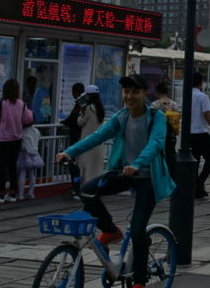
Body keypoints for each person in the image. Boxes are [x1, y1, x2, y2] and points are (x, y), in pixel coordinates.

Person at [56, 74, 175, 288]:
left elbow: (156, 143)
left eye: (134, 92)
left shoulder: (156, 117)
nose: (129, 96)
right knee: (87, 189)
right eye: (126, 92)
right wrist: (69, 152)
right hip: (124, 173)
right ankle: (111, 230)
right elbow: (97, 137)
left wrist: (138, 164)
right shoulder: (122, 117)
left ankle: (139, 280)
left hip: (147, 178)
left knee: (138, 230)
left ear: (144, 93)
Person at [0, 78, 34, 203]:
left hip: (3, 138)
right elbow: (27, 119)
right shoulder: (21, 104)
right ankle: (13, 193)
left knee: (2, 166)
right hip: (17, 138)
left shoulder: (1, 104)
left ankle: (0, 194)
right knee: (13, 166)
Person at [189, 72, 210, 198]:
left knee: (194, 162)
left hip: (190, 134)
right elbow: (206, 114)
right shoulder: (202, 96)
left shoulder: (186, 96)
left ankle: (196, 187)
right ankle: (199, 183)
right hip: (201, 132)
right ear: (201, 83)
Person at [77, 85, 106, 182]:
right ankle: (95, 191)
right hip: (98, 143)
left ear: (89, 96)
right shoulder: (100, 108)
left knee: (86, 168)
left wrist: (81, 112)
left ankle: (86, 191)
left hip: (87, 143)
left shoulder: (88, 108)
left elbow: (80, 122)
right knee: (96, 170)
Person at [151, 80, 180, 175]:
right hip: (171, 132)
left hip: (158, 132)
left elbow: (152, 119)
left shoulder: (155, 105)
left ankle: (160, 171)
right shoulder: (173, 104)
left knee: (159, 153)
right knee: (170, 152)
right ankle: (170, 172)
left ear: (157, 92)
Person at [16, 122, 44, 200]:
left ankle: (21, 194)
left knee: (22, 174)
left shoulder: (22, 131)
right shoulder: (36, 131)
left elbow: (22, 145)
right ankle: (31, 193)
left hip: (24, 154)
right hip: (34, 154)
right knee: (32, 174)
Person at [62, 82, 88, 147]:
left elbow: (74, 116)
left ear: (77, 92)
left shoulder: (82, 103)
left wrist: (65, 122)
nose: (72, 94)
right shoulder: (83, 102)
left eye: (73, 91)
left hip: (77, 133)